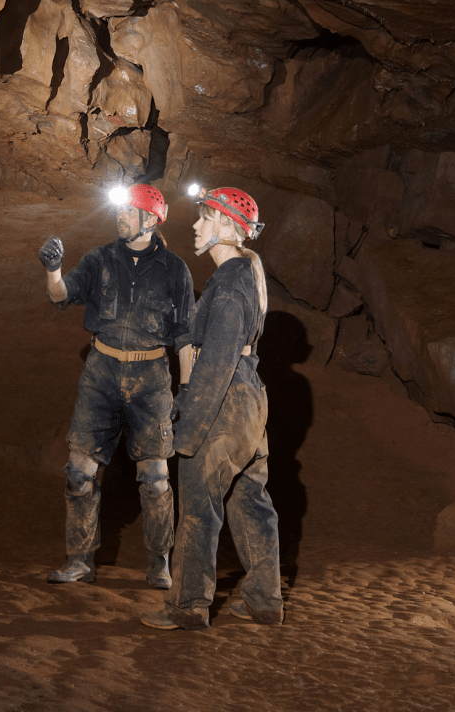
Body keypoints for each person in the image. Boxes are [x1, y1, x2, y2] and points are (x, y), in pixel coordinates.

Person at [38, 183, 196, 589]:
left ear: (150, 220)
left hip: (151, 379)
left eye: (128, 212)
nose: (119, 217)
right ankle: (79, 561)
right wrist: (52, 269)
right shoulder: (99, 260)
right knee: (78, 472)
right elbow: (61, 295)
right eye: (120, 210)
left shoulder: (175, 270)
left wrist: (188, 390)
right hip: (102, 372)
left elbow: (184, 337)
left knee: (156, 478)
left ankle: (159, 563)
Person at [141, 185, 284, 630]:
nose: (197, 226)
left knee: (199, 508)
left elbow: (216, 364)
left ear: (226, 226)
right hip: (251, 402)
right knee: (250, 502)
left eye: (205, 218)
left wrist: (187, 430)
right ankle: (265, 601)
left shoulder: (228, 287)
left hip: (225, 402)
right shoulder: (242, 277)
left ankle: (187, 607)